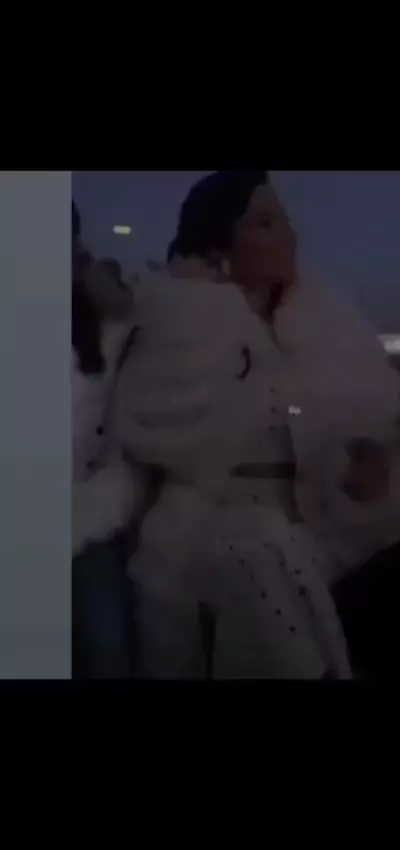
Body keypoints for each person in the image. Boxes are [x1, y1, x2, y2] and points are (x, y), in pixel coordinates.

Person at [115, 171, 400, 679]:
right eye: (265, 223)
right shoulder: (181, 321)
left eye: (285, 220)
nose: (289, 235)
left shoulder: (330, 324)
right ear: (221, 243)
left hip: (330, 532)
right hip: (216, 535)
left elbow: (375, 423)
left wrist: (370, 466)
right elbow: (151, 437)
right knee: (260, 549)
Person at [72, 201, 143, 678]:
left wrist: (84, 519)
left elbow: (124, 452)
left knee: (108, 648)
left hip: (82, 521)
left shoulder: (108, 331)